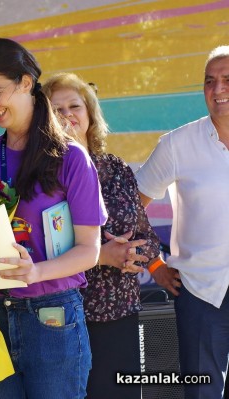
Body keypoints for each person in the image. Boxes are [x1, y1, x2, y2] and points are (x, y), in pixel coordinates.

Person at [0, 38, 107, 399]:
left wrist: (35, 272)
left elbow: (89, 250)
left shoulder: (72, 158)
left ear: (27, 83)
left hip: (53, 316)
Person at [43, 73, 160, 399]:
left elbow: (147, 237)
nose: (67, 115)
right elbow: (39, 249)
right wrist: (102, 254)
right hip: (65, 321)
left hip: (120, 316)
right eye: (56, 109)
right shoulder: (39, 178)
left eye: (74, 106)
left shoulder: (116, 168)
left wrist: (132, 253)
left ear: (90, 115)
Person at [135, 45, 229, 398]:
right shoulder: (177, 145)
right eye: (210, 81)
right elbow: (130, 208)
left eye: (227, 80)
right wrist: (154, 262)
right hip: (202, 291)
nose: (218, 90)